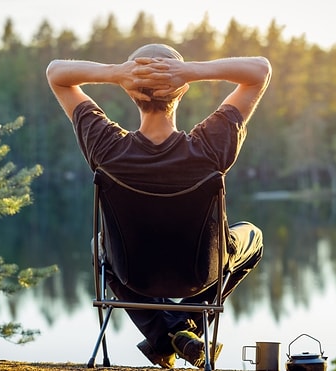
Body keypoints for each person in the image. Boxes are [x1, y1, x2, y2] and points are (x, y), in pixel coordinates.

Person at [46, 43, 271, 368]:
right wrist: (191, 71)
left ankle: (165, 333)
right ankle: (184, 326)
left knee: (99, 246)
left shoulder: (107, 148)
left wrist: (116, 73)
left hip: (133, 276)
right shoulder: (209, 147)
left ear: (131, 92)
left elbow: (56, 74)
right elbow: (260, 70)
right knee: (254, 235)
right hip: (201, 273)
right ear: (181, 92)